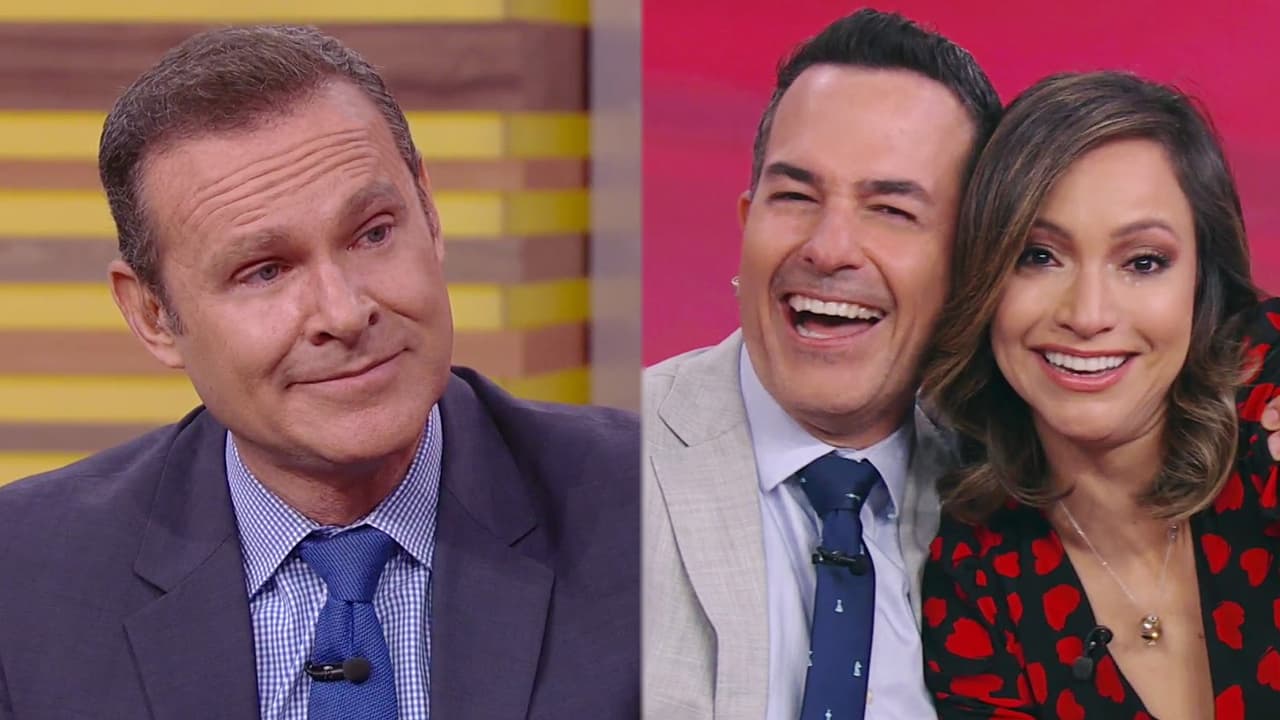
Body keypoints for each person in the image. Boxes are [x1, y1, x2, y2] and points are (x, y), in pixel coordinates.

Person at [0, 25, 638, 720]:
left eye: (374, 233)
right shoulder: (26, 582)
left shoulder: (653, 509)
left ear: (430, 213)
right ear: (153, 315)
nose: (345, 312)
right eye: (264, 271)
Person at [642, 10, 1003, 719]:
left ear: (971, 264)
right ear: (746, 222)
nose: (829, 248)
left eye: (891, 210)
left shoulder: (1007, 502)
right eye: (795, 197)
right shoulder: (606, 468)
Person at [920, 71, 1280, 719]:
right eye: (1038, 256)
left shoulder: (1268, 394)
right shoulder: (974, 573)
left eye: (1143, 262)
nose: (1087, 315)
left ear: (1202, 284)